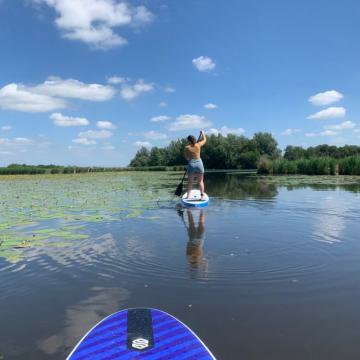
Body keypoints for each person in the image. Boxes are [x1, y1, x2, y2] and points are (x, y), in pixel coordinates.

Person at [184, 130, 206, 199]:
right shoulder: (198, 144)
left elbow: (186, 158)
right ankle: (202, 196)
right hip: (199, 163)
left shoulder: (187, 148)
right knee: (200, 181)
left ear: (189, 141)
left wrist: (189, 158)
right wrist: (203, 133)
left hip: (191, 164)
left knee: (190, 182)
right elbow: (205, 139)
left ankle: (188, 197)